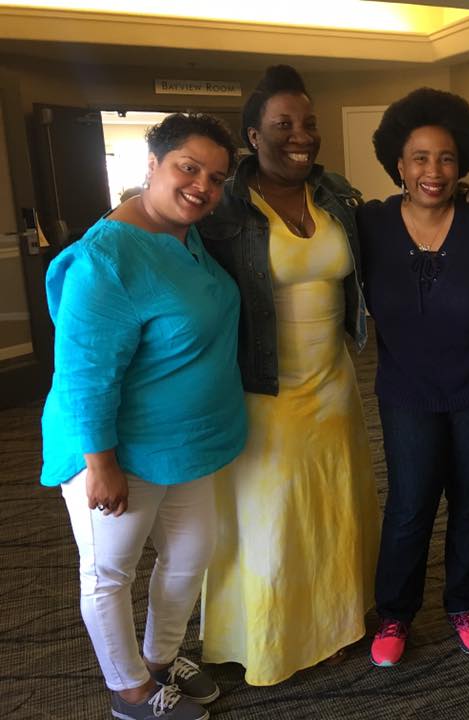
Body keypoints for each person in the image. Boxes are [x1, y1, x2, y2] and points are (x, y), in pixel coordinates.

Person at [41, 113, 245, 720]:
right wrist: (99, 463)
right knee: (109, 573)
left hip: (184, 446)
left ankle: (160, 659)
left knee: (189, 558)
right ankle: (129, 691)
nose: (202, 186)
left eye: (216, 177)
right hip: (117, 451)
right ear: (152, 165)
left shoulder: (183, 234)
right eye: (188, 167)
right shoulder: (106, 258)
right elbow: (84, 372)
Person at [197, 65, 380, 686]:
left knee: (333, 507)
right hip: (264, 386)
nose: (301, 135)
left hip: (335, 381)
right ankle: (269, 638)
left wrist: (461, 193)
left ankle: (336, 624)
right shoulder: (224, 206)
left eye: (308, 123)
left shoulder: (337, 194)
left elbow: (388, 230)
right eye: (283, 124)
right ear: (253, 136)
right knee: (272, 519)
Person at [358, 88, 469, 667]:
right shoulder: (368, 224)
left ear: (461, 164)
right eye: (419, 158)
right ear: (398, 164)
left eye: (446, 158)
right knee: (409, 504)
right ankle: (395, 612)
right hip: (407, 393)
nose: (434, 171)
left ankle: (465, 603)